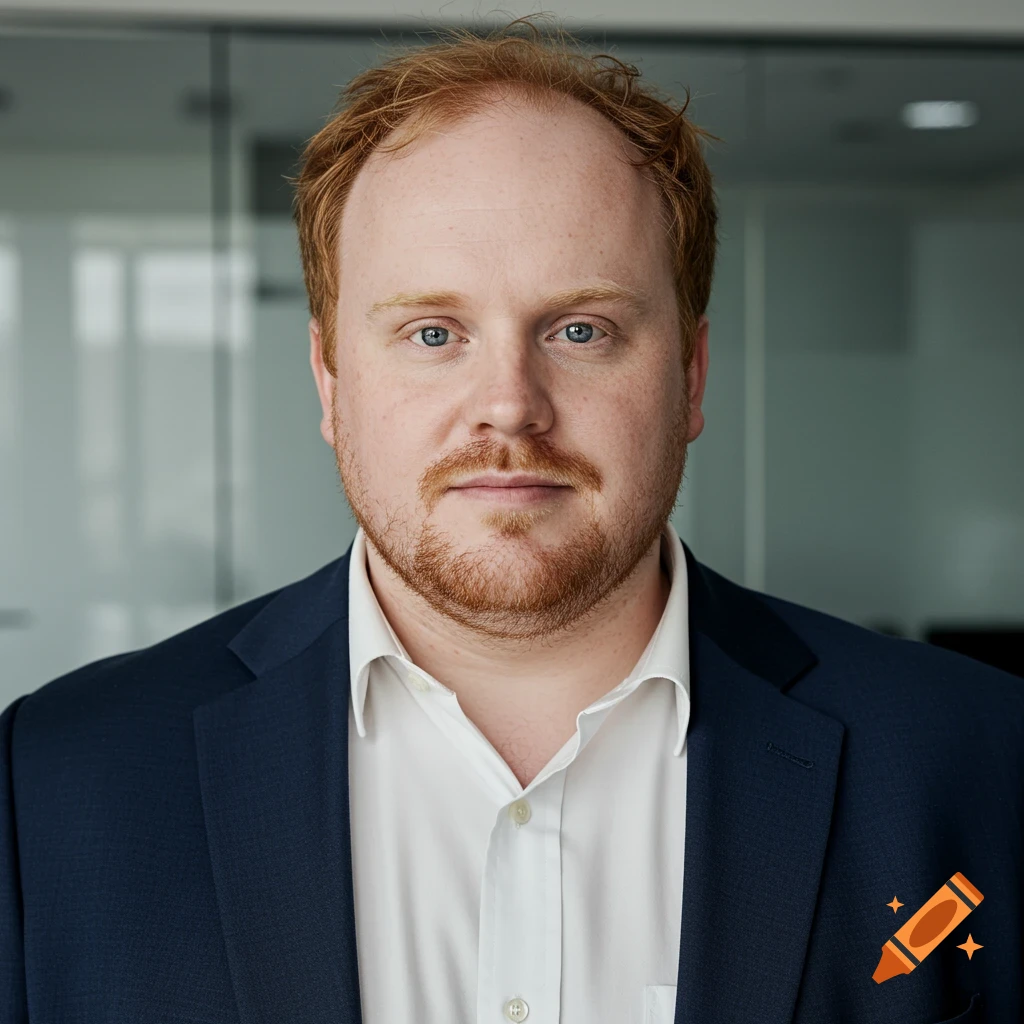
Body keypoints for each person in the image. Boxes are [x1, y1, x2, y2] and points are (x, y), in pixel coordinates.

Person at [1, 15, 1020, 1024]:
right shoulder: (53, 787)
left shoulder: (974, 758)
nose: (509, 403)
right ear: (329, 378)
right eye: (433, 331)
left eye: (581, 329)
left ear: (692, 375)